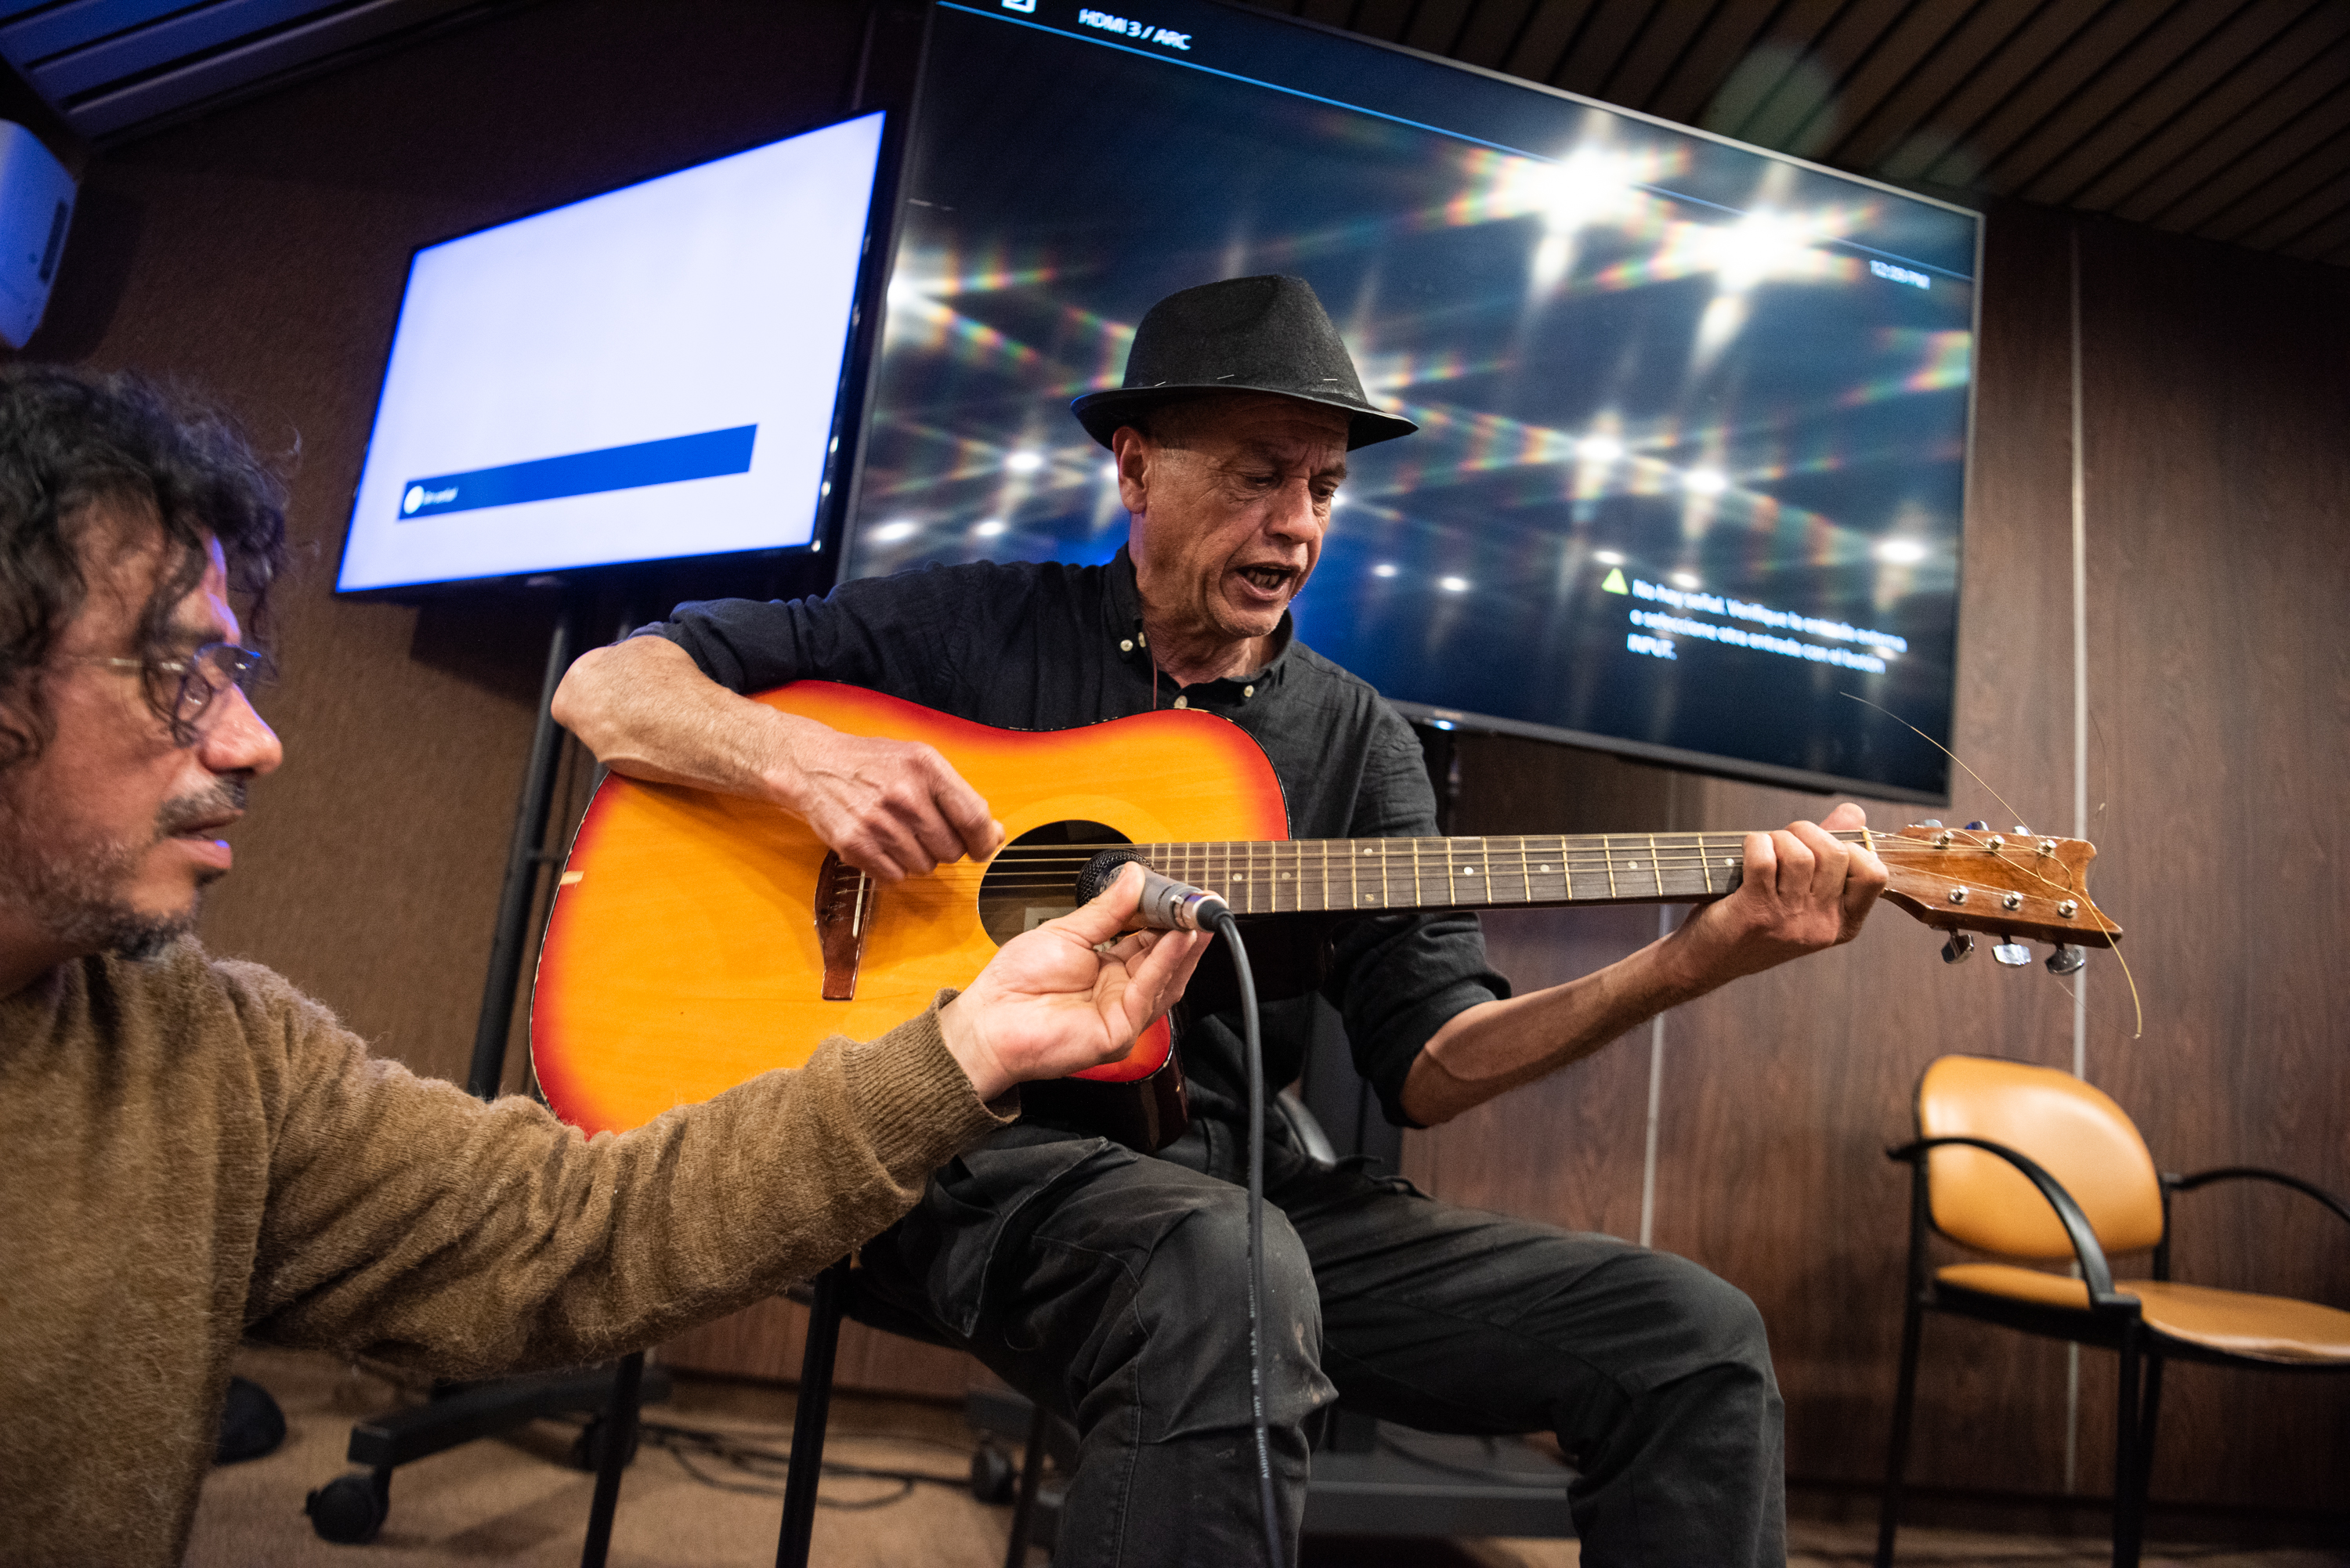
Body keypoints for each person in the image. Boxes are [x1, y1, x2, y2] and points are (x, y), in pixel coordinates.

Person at [553, 274, 1889, 1566]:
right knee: (1228, 1275)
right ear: (1136, 470)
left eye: (1323, 487)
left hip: (1232, 1185)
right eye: (1258, 475)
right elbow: (613, 687)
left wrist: (1689, 958)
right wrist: (808, 765)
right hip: (951, 1150)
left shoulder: (1360, 742)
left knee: (1692, 1335)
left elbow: (1436, 1061)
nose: (1298, 524)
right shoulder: (974, 623)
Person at [0, 363, 1208, 1568]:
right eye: (174, 671)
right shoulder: (956, 612)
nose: (252, 741)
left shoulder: (214, 1055)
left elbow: (574, 1228)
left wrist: (968, 1047)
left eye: (238, 671)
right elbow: (616, 681)